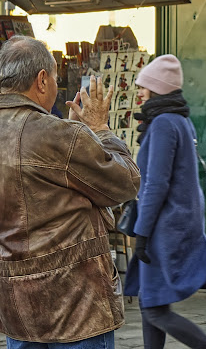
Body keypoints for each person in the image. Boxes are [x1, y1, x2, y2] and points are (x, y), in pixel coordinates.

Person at [0, 36, 141, 348]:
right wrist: (100, 132)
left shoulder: (58, 134)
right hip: (77, 304)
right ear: (41, 80)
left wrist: (77, 136)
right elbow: (126, 182)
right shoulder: (59, 136)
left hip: (17, 305)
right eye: (52, 78)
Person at [123, 54, 206, 349]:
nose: (139, 92)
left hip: (162, 226)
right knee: (150, 302)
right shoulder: (180, 120)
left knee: (154, 308)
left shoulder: (164, 123)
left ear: (158, 88)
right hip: (174, 221)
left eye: (143, 86)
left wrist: (142, 231)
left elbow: (157, 184)